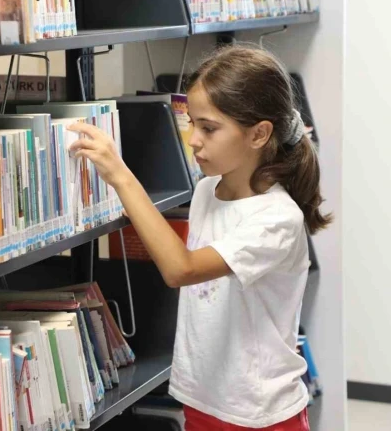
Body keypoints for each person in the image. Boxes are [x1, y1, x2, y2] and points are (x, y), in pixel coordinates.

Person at [68, 45, 330, 430]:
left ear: (259, 134)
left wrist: (121, 176)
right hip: (202, 400)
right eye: (192, 123)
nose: (193, 139)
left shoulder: (276, 218)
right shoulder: (208, 190)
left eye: (209, 128)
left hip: (259, 414)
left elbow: (182, 269)